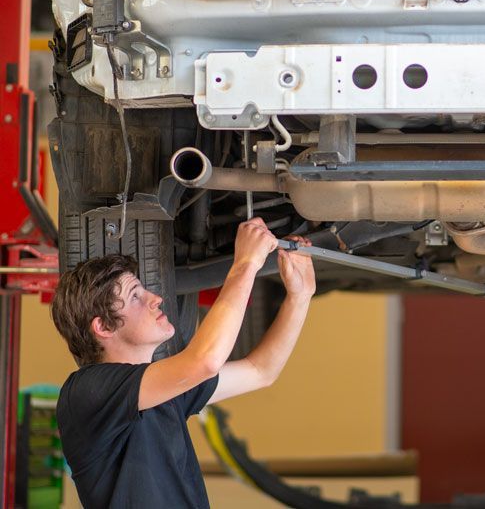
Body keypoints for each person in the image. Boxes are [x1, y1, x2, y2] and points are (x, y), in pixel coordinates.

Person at [50, 217, 315, 509]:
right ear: (103, 327)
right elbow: (206, 361)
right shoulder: (87, 392)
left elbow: (260, 371)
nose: (156, 298)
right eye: (135, 296)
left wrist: (300, 297)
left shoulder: (163, 393)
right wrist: (245, 264)